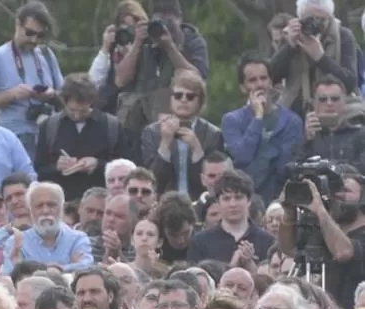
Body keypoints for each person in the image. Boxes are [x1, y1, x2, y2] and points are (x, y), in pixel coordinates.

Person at [111, 0, 209, 136]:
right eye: (161, 22)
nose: (166, 28)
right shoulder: (145, 37)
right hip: (138, 119)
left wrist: (170, 48)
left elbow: (197, 80)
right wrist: (137, 44)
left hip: (177, 118)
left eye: (170, 22)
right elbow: (120, 81)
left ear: (180, 18)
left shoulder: (192, 40)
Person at [276, 168, 365, 309]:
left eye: (345, 190)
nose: (337, 195)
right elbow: (289, 248)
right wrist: (289, 214)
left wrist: (320, 210)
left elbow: (343, 252)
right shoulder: (323, 227)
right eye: (333, 191)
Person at [0, 1, 63, 154]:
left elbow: (65, 96)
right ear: (17, 24)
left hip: (49, 135)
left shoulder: (47, 54)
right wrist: (11, 95)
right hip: (14, 137)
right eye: (29, 33)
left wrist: (51, 95)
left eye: (40, 36)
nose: (34, 40)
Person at [220, 55, 303, 204]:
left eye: (263, 78)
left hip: (279, 200)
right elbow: (242, 156)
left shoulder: (292, 121)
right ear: (242, 87)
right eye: (252, 80)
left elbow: (284, 168)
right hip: (244, 199)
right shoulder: (231, 120)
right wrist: (258, 118)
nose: (259, 84)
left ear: (271, 82)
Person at [33, 73, 125, 202]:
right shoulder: (49, 126)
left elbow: (126, 166)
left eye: (83, 111)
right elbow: (38, 170)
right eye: (72, 110)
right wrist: (57, 167)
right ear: (64, 102)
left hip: (100, 200)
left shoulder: (111, 126)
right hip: (62, 201)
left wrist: (98, 164)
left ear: (91, 103)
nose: (77, 116)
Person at [140, 69, 224, 200]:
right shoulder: (152, 132)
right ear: (171, 99)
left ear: (200, 101)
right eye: (178, 96)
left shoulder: (213, 134)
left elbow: (214, 182)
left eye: (190, 96)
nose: (183, 100)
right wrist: (165, 144)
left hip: (202, 203)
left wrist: (197, 149)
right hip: (164, 203)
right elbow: (152, 182)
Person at [270, 0, 359, 118]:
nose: (315, 24)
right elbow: (271, 76)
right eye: (310, 19)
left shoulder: (343, 36)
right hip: (295, 112)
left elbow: (350, 83)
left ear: (330, 17)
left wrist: (321, 58)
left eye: (322, 19)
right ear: (299, 18)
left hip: (333, 111)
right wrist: (290, 47)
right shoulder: (290, 36)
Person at [1, 181, 93, 274]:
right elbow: (9, 275)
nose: (45, 211)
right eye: (39, 206)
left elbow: (86, 267)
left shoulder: (78, 239)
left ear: (62, 208)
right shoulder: (16, 242)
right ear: (30, 210)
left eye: (51, 205)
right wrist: (67, 268)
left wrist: (32, 270)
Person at [188, 170, 275, 266]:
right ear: (218, 202)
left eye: (238, 197)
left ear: (249, 200)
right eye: (226, 198)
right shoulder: (200, 242)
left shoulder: (267, 241)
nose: (232, 204)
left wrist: (250, 264)